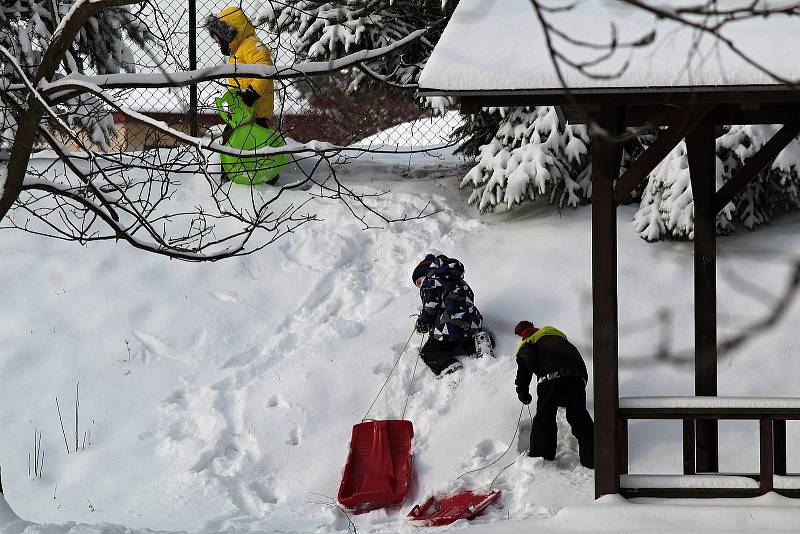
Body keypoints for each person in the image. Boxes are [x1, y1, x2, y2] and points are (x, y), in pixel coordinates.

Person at [514, 320, 594, 468]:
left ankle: (541, 459)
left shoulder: (529, 341)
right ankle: (595, 459)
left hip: (551, 376)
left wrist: (522, 391)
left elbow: (524, 368)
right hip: (578, 375)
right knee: (579, 417)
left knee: (545, 417)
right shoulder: (556, 336)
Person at [412, 254, 485, 378]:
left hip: (449, 325)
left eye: (419, 280)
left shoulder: (429, 282)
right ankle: (477, 344)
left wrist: (423, 322)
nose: (420, 285)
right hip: (473, 321)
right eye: (418, 284)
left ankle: (447, 365)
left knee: (428, 352)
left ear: (427, 272)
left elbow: (431, 307)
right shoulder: (457, 280)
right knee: (463, 339)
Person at [206, 7, 275, 137]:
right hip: (243, 111)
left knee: (254, 141)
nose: (215, 42)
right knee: (231, 137)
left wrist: (253, 91)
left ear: (227, 33)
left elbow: (265, 68)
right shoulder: (236, 53)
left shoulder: (252, 45)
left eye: (217, 38)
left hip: (256, 109)